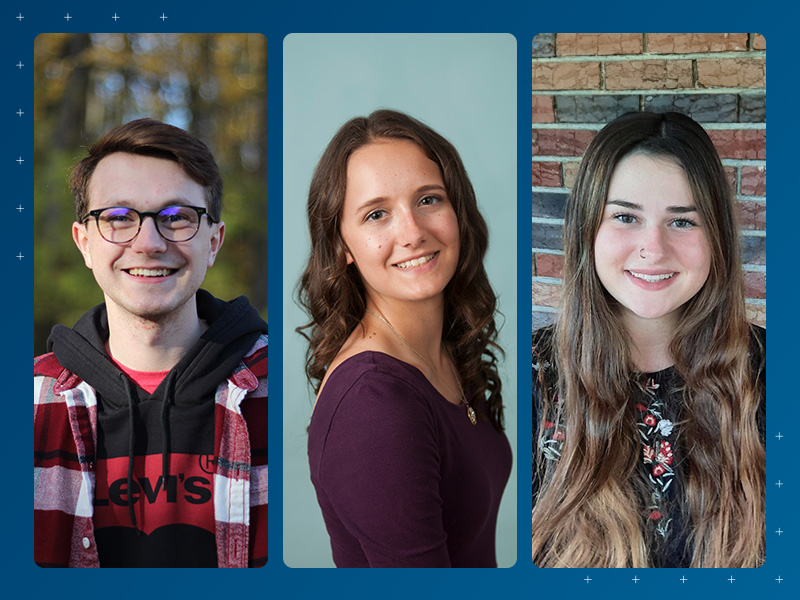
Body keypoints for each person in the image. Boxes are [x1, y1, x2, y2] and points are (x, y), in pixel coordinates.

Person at [531, 111, 766, 568]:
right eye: (624, 217)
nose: (653, 249)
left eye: (682, 222)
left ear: (716, 237)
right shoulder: (529, 375)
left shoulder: (772, 369)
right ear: (586, 231)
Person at [33, 119, 268, 568]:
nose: (148, 243)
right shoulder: (26, 404)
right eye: (118, 218)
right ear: (84, 243)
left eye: (177, 217)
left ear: (214, 241)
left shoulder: (285, 393)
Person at [298, 109, 511, 568]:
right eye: (377, 214)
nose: (412, 233)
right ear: (342, 247)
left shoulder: (445, 347)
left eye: (429, 200)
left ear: (458, 210)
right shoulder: (374, 402)